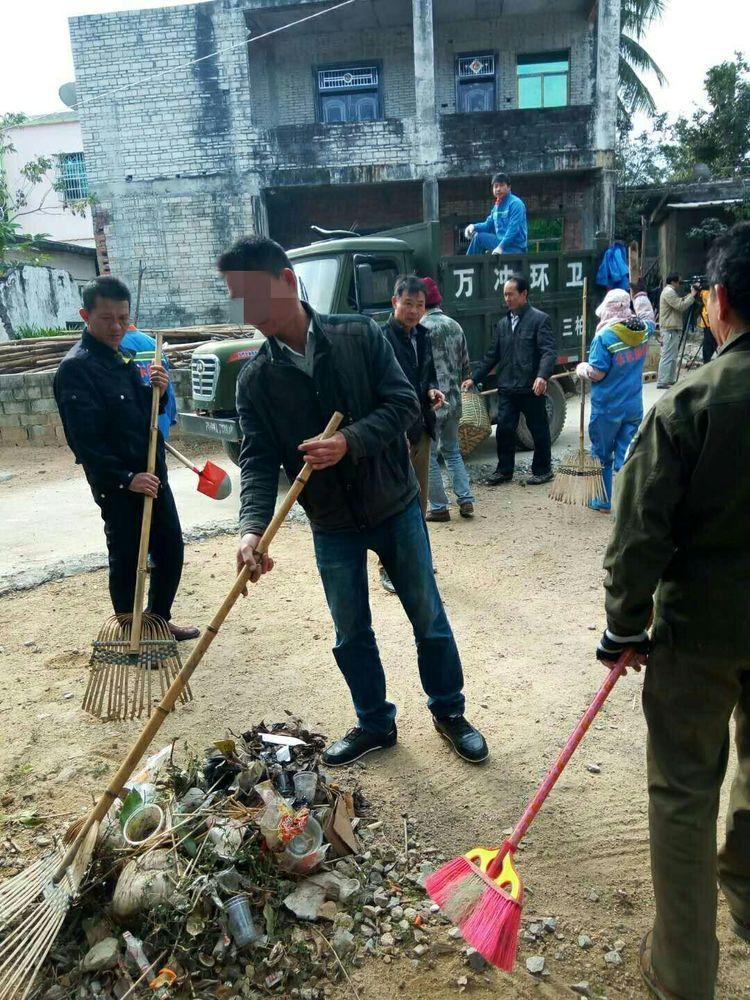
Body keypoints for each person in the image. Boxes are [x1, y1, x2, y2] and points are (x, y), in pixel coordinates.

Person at [221, 236, 488, 767]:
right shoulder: (256, 380)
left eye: (254, 298)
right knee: (350, 633)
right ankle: (374, 723)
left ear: (288, 283)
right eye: (237, 301)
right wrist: (252, 527)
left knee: (427, 615)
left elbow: (403, 405)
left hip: (395, 505)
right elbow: (255, 461)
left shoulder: (358, 335)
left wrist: (350, 442)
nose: (248, 314)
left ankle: (449, 712)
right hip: (332, 523)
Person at [596, 221, 750, 1000]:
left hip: (701, 630)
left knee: (685, 789)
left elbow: (640, 529)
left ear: (716, 300)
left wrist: (623, 624)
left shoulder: (692, 400)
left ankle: (685, 975)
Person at [53, 276, 199, 640]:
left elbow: (144, 415)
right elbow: (84, 441)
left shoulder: (123, 357)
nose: (116, 326)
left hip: (153, 471)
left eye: (123, 317)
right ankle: (131, 634)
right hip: (120, 484)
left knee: (170, 549)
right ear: (85, 315)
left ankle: (158, 622)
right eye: (107, 318)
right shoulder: (76, 369)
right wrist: (126, 478)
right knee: (129, 558)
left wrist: (159, 392)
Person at [462, 274, 555, 486]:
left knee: (538, 429)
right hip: (508, 387)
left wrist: (542, 376)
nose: (507, 298)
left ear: (524, 294)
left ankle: (543, 470)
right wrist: (473, 378)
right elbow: (492, 356)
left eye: (511, 294)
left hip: (531, 387)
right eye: (505, 294)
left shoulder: (539, 320)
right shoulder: (503, 324)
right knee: (504, 429)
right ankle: (504, 470)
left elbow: (548, 352)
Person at [576, 288, 655, 513]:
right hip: (633, 406)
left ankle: (603, 501)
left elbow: (598, 373)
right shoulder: (642, 331)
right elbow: (649, 317)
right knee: (626, 454)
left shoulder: (604, 337)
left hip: (608, 408)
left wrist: (583, 369)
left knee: (602, 454)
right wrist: (640, 295)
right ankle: (628, 501)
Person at [381, 275, 445, 516]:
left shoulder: (423, 335)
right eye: (408, 303)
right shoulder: (381, 337)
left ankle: (418, 550)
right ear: (394, 302)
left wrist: (431, 389)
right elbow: (380, 389)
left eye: (420, 305)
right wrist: (395, 431)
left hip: (421, 426)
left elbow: (426, 373)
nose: (414, 311)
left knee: (419, 496)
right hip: (394, 431)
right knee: (392, 496)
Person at [419, 277, 475, 522]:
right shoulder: (455, 326)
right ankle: (465, 499)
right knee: (452, 451)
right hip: (453, 400)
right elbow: (465, 367)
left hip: (430, 402)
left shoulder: (419, 328)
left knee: (429, 456)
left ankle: (439, 507)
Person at [121, 325, 178, 440]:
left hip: (130, 431)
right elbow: (168, 390)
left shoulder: (114, 347)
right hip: (160, 423)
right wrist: (169, 419)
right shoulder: (153, 344)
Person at [464, 172, 528, 255]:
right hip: (499, 242)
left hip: (515, 248)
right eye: (495, 186)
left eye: (501, 185)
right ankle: (468, 265)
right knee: (479, 237)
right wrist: (473, 227)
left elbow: (513, 229)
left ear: (509, 188)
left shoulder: (516, 204)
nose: (498, 189)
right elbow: (488, 225)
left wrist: (500, 247)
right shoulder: (497, 206)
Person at [656, 273, 701, 388]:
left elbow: (680, 301)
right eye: (678, 282)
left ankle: (669, 379)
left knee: (673, 356)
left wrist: (690, 295)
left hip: (673, 328)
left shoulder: (670, 292)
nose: (680, 284)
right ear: (673, 282)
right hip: (669, 329)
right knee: (667, 356)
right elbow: (680, 306)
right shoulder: (668, 292)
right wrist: (692, 295)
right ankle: (662, 381)